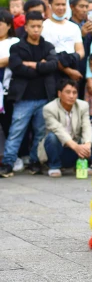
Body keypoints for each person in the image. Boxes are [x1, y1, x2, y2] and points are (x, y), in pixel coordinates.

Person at [0, 12, 59, 178]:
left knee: (40, 132)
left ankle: (35, 161)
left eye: (39, 26)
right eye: (32, 26)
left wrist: (31, 65)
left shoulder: (48, 46)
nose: (35, 29)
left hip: (44, 97)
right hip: (23, 98)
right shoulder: (17, 47)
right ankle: (8, 163)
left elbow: (53, 65)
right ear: (25, 27)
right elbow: (17, 67)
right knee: (16, 132)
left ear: (42, 27)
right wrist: (40, 67)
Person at [42, 79, 92, 177]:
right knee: (52, 137)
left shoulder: (83, 105)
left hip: (75, 150)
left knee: (91, 140)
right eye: (68, 92)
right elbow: (58, 130)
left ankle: (81, 164)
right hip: (59, 149)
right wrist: (76, 147)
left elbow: (87, 125)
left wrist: (87, 145)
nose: (71, 96)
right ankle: (54, 166)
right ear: (59, 94)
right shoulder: (49, 108)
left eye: (74, 92)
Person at [42, 0, 84, 84]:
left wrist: (73, 58)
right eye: (57, 4)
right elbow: (45, 55)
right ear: (50, 6)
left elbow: (80, 51)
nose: (61, 8)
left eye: (63, 4)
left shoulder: (74, 27)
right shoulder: (44, 27)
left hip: (73, 68)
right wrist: (68, 71)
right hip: (53, 73)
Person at [0, 9, 17, 150]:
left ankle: (12, 156)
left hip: (8, 91)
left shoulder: (14, 42)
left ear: (9, 25)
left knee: (9, 125)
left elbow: (13, 59)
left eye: (1, 24)